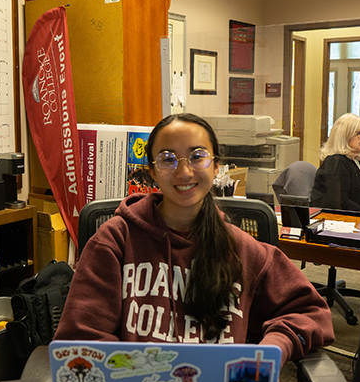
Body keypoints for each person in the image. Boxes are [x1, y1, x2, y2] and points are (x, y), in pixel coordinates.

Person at [53, 113, 334, 364]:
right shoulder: (115, 241)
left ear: (216, 167)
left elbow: (311, 311)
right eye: (167, 159)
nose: (184, 171)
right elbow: (80, 340)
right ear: (152, 171)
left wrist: (275, 347)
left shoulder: (243, 250)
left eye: (198, 156)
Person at [309, 113, 360, 212]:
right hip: (342, 221)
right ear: (345, 136)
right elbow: (341, 202)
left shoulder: (357, 160)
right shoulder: (336, 162)